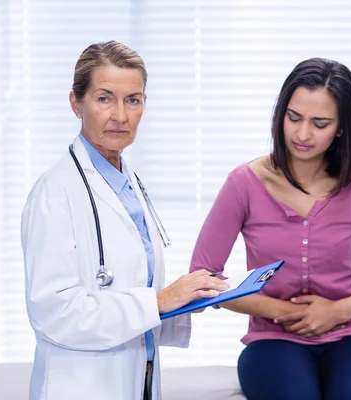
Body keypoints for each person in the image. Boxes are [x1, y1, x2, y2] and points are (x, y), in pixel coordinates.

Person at [189, 58, 351, 400]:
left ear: (341, 127)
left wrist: (337, 311)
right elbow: (203, 278)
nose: (302, 134)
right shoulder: (243, 184)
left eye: (320, 123)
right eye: (294, 118)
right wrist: (283, 312)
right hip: (272, 341)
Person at [20, 41, 229, 400]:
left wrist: (188, 298)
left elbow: (134, 290)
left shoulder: (128, 184)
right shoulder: (54, 193)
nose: (120, 115)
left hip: (140, 378)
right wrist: (160, 301)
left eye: (133, 99)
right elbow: (55, 313)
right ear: (75, 103)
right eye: (104, 99)